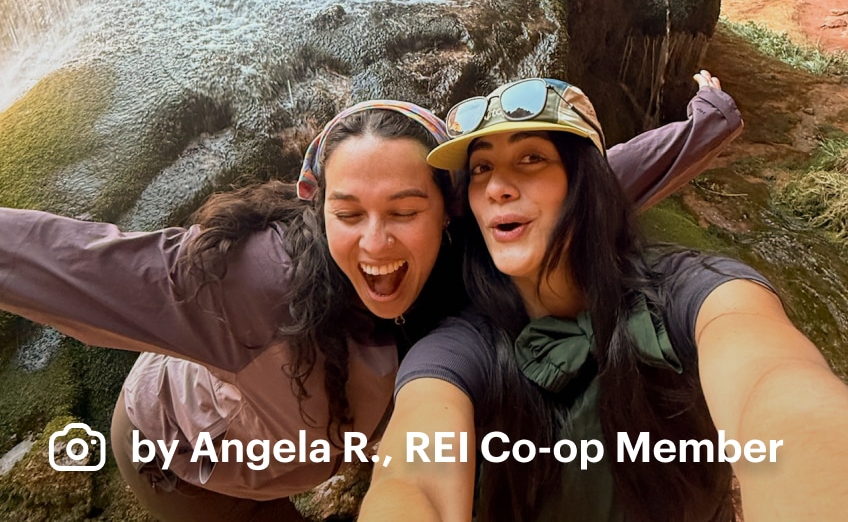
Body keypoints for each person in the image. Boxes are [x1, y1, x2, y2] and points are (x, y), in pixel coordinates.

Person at [0, 74, 738, 521]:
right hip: (182, 458)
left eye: (405, 210)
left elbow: (597, 184)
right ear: (316, 208)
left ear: (447, 208)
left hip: (306, 442)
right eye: (349, 213)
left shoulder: (476, 239)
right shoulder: (248, 283)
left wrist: (711, 118)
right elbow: (72, 262)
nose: (377, 243)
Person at [361, 77, 848, 522]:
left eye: (530, 159)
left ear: (586, 183)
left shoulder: (687, 292)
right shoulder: (462, 345)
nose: (498, 186)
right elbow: (415, 477)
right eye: (481, 168)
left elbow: (775, 384)